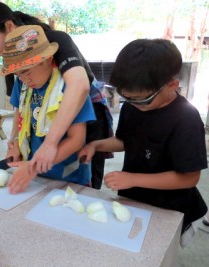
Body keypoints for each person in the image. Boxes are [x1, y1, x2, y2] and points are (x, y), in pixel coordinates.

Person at [78, 39, 208, 246]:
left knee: (157, 250)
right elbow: (124, 141)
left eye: (142, 99)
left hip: (169, 207)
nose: (134, 104)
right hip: (134, 198)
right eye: (126, 97)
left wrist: (133, 178)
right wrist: (96, 145)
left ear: (172, 85)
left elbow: (189, 178)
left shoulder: (186, 119)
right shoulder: (133, 107)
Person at [0, 1, 113, 190]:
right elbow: (20, 109)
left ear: (9, 26)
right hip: (42, 135)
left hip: (83, 112)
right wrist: (15, 142)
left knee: (84, 177)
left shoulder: (55, 41)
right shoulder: (17, 67)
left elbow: (79, 87)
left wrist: (50, 144)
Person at [0, 25, 96, 194]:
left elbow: (77, 140)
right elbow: (19, 113)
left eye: (27, 71)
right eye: (18, 74)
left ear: (47, 59)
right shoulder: (22, 84)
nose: (24, 79)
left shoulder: (68, 87)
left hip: (69, 178)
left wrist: (33, 167)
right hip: (36, 177)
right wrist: (14, 141)